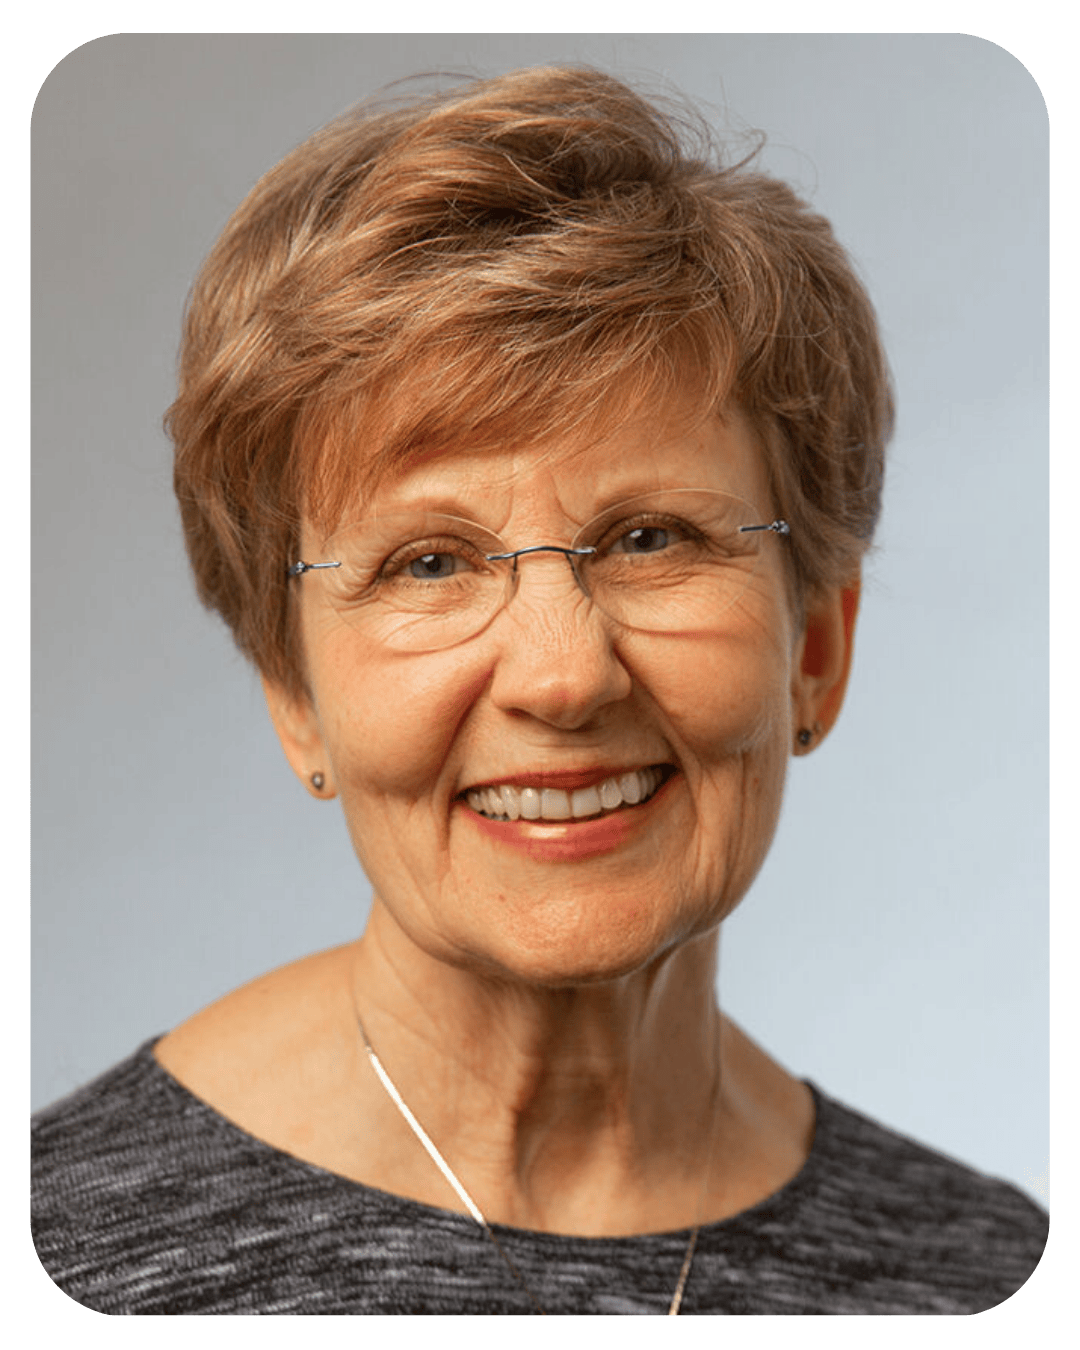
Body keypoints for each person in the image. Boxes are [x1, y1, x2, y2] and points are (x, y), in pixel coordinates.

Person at [30, 65, 1047, 1316]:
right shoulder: (61, 1261)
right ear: (294, 693)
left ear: (816, 651)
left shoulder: (990, 1285)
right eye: (433, 560)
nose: (564, 676)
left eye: (653, 538)